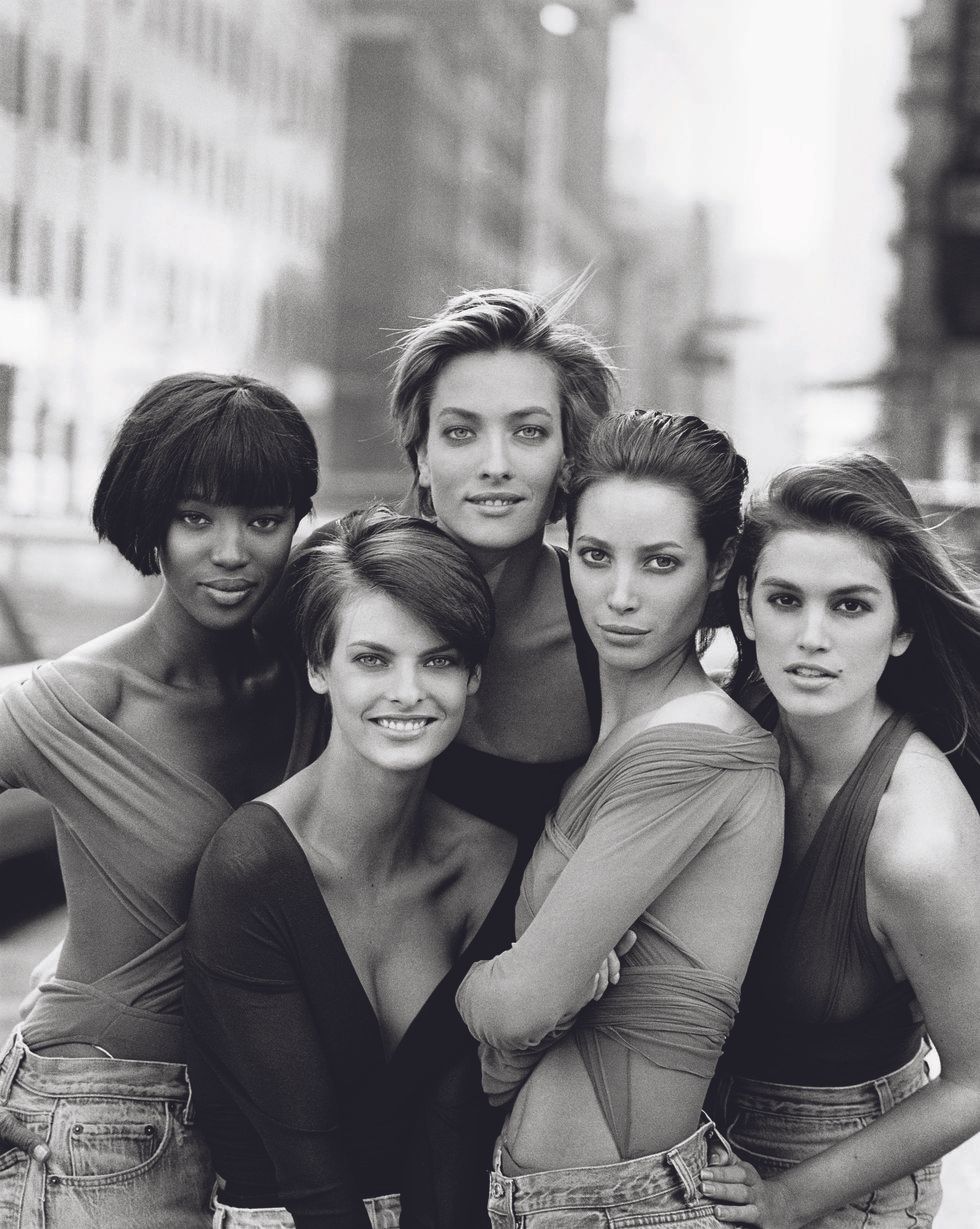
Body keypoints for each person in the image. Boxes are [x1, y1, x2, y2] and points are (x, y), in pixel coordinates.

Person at [0, 372, 325, 1228]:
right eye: (197, 518)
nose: (231, 551)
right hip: (100, 1112)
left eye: (263, 520)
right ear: (153, 519)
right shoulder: (78, 701)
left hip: (264, 1123)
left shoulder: (316, 678)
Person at [456, 410, 785, 1228]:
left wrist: (472, 987)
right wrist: (530, 1002)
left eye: (661, 562)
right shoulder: (609, 735)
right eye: (596, 556)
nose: (621, 596)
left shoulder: (692, 749)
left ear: (717, 570)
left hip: (617, 1205)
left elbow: (522, 1005)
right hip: (572, 1199)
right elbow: (527, 1025)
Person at [182, 508, 523, 1229]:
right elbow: (310, 1177)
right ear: (317, 665)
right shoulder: (253, 866)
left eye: (440, 659)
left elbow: (456, 1132)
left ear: (475, 674)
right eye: (372, 659)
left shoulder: (493, 858)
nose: (409, 691)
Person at [702, 454, 980, 1228]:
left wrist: (793, 1197)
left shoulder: (917, 840)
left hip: (850, 1180)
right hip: (703, 1146)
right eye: (785, 600)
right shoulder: (731, 722)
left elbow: (976, 1081)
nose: (810, 638)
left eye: (850, 606)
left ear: (902, 630)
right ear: (748, 611)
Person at [388, 284, 618, 847]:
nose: (495, 465)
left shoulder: (609, 622)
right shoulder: (344, 590)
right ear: (422, 456)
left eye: (529, 432)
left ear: (569, 457)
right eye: (461, 432)